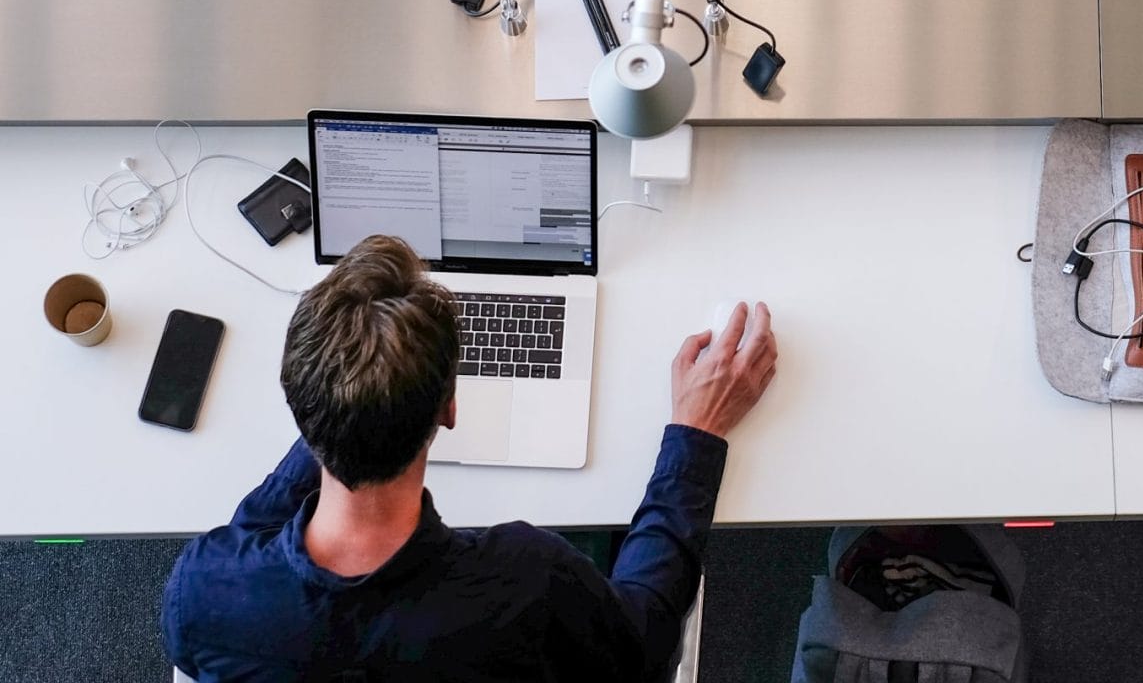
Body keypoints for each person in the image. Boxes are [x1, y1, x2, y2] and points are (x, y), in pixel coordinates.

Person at [162, 234, 779, 682]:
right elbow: (644, 647)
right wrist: (695, 433)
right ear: (450, 408)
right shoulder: (528, 581)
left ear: (297, 408)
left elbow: (250, 538)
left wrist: (343, 393)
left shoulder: (205, 591)